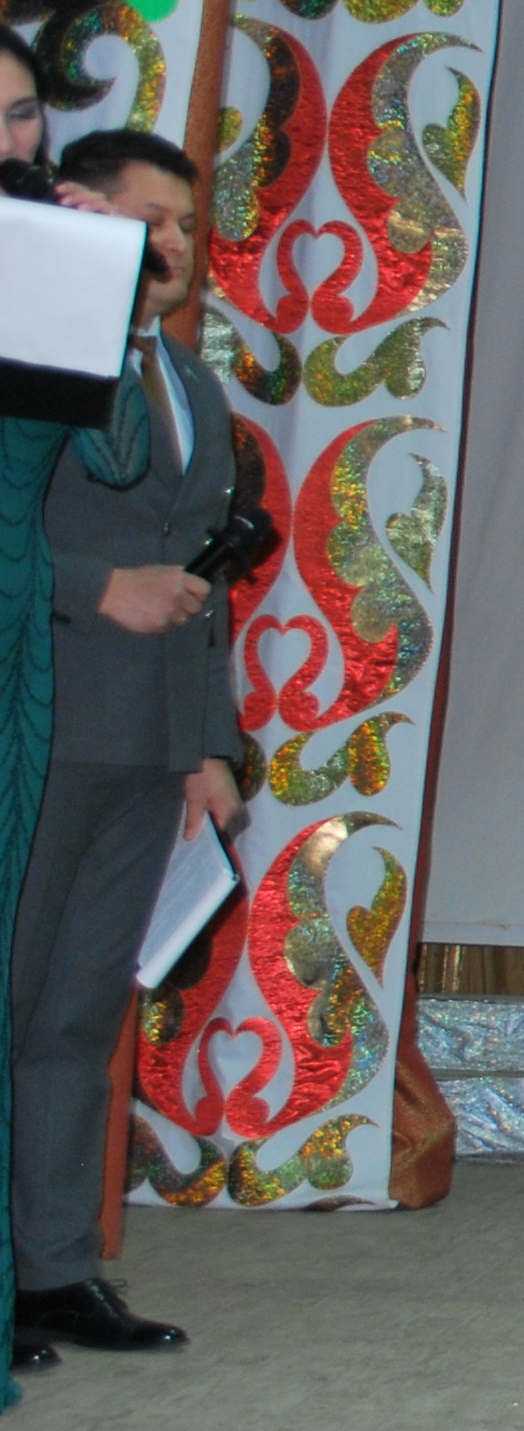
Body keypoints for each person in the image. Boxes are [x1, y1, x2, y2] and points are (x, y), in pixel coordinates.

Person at [10, 127, 239, 1363]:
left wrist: (211, 750)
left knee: (76, 1019)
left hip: (146, 748)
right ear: (74, 210)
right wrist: (99, 587)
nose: (171, 248)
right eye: (148, 221)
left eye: (187, 227)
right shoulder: (28, 361)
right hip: (37, 727)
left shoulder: (191, 383)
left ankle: (50, 1272)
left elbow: (204, 585)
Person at [2, 35, 137, 1398]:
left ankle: (37, 1264)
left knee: (46, 1000)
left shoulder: (51, 265)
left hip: (22, 643)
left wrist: (88, 281)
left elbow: (73, 452)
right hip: (51, 631)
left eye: (27, 114)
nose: (13, 143)